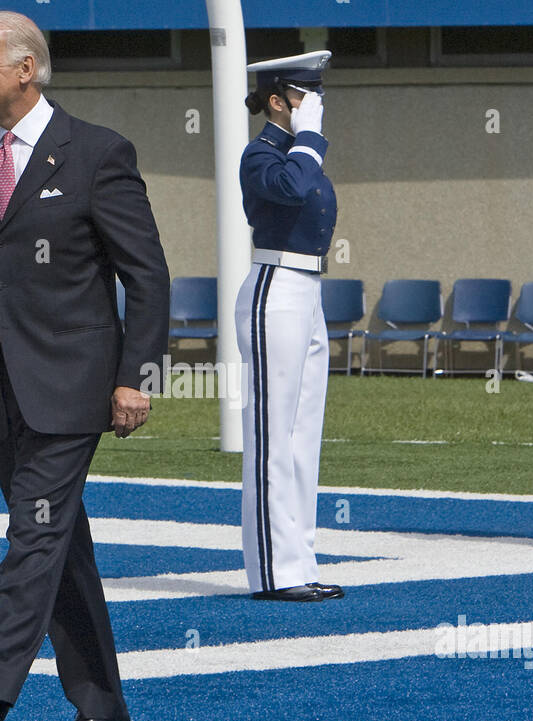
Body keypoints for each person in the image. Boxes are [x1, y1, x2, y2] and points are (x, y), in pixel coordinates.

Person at [0, 11, 170, 721]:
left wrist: (135, 378)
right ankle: (103, 703)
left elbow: (146, 276)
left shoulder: (96, 153)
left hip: (72, 390)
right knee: (61, 547)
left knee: (31, 540)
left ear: (27, 69)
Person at [235, 51, 344, 602]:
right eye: (305, 96)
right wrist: (310, 138)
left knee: (303, 436)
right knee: (272, 436)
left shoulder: (298, 153)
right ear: (277, 101)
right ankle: (273, 570)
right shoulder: (261, 155)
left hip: (307, 288)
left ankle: (299, 560)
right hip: (274, 287)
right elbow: (293, 189)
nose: (316, 107)